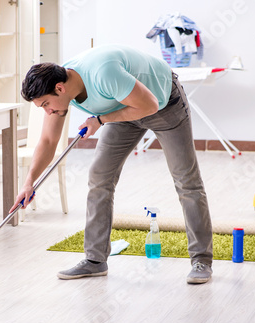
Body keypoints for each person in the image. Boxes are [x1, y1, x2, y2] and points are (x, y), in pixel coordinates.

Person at [13, 44, 213, 284]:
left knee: (186, 179)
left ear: (60, 88)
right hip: (121, 109)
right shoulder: (60, 91)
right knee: (99, 176)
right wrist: (28, 182)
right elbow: (47, 141)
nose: (47, 111)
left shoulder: (103, 73)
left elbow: (149, 106)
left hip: (162, 102)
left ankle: (201, 259)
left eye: (46, 104)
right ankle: (95, 260)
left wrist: (101, 119)